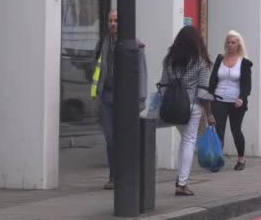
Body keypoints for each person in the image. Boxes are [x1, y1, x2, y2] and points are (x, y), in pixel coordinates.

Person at [90, 10, 147, 190]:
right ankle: (113, 176)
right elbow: (97, 66)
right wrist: (97, 91)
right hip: (107, 96)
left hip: (126, 99)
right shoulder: (104, 43)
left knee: (125, 137)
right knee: (110, 137)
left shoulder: (135, 44)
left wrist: (140, 99)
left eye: (116, 20)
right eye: (110, 21)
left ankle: (126, 175)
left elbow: (142, 74)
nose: (113, 24)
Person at [159, 26, 215, 196]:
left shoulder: (169, 59)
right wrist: (210, 114)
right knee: (189, 142)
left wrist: (166, 102)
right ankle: (182, 183)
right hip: (192, 106)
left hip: (173, 107)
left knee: (184, 140)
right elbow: (203, 92)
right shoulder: (201, 61)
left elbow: (163, 85)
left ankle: (181, 179)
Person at [208, 31, 253, 171]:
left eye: (233, 42)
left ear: (238, 44)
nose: (230, 45)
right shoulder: (220, 59)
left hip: (236, 101)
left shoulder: (244, 62)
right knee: (218, 130)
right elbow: (213, 80)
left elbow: (247, 84)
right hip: (219, 99)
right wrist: (209, 97)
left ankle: (241, 158)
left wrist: (242, 98)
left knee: (236, 130)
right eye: (228, 42)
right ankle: (217, 159)